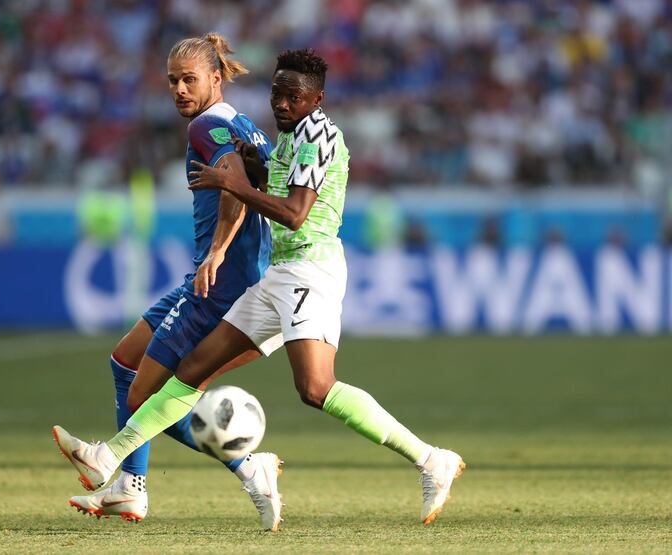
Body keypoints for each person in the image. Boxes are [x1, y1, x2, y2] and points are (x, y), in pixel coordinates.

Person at [53, 49, 464, 526]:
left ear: (317, 98)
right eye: (276, 93)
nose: (282, 104)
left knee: (314, 387)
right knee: (193, 369)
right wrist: (254, 165)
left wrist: (234, 183)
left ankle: (431, 459)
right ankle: (111, 458)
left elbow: (294, 213)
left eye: (293, 96)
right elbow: (272, 185)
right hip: (278, 273)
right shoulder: (288, 136)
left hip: (310, 270)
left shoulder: (314, 135)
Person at [54, 33, 284, 530]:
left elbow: (234, 186)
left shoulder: (206, 125)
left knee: (144, 396)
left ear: (215, 79)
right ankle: (129, 490)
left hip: (222, 283)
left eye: (189, 79)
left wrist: (219, 251)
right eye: (173, 81)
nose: (179, 90)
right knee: (124, 362)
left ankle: (248, 467)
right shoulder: (240, 122)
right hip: (219, 277)